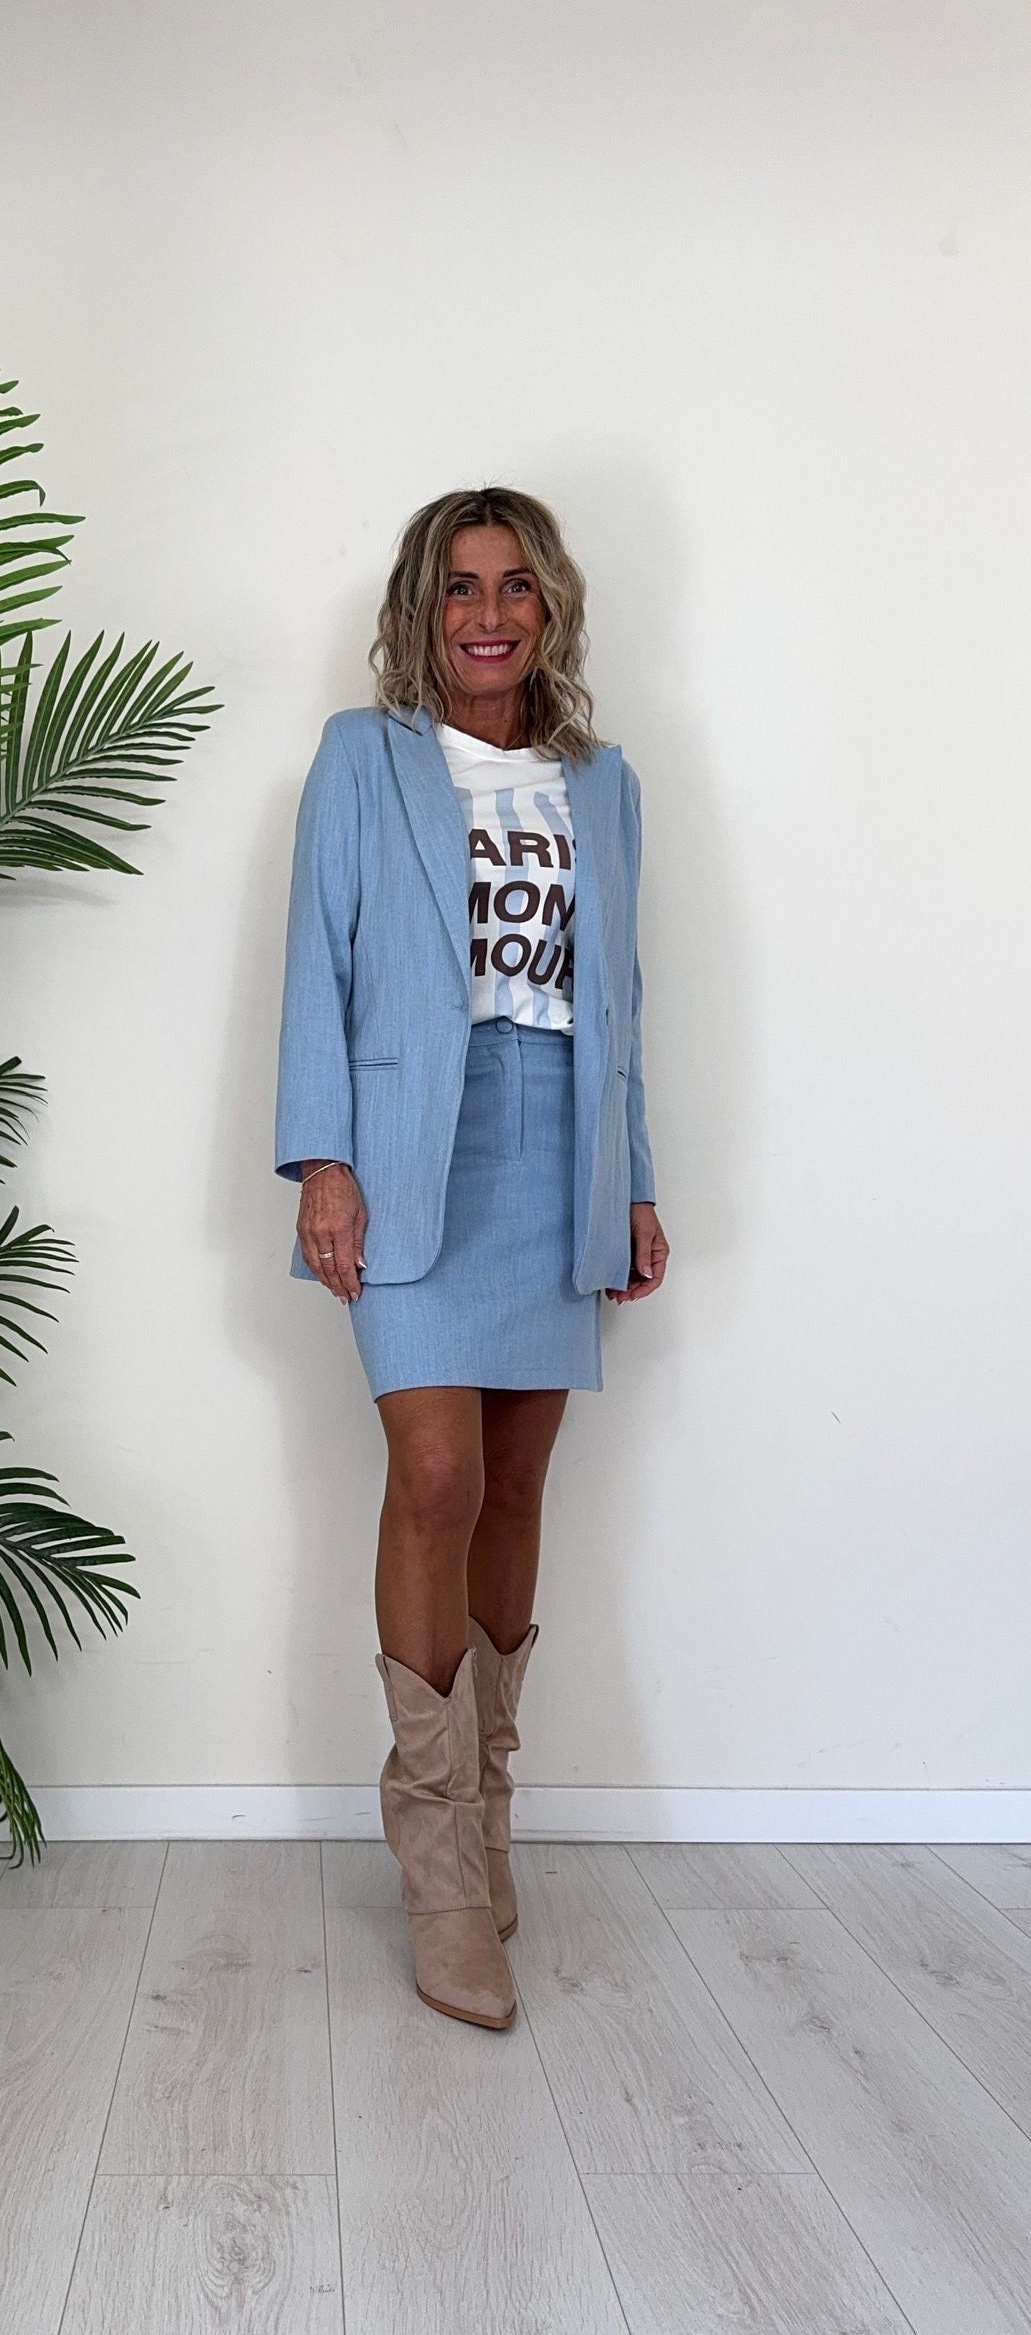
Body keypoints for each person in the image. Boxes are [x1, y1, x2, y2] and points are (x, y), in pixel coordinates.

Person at [274, 487, 668, 2030]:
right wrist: (324, 1161)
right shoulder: (361, 759)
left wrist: (634, 1186)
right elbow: (319, 963)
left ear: (548, 607)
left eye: (513, 586)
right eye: (459, 587)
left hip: (560, 1147)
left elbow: (620, 1000)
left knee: (513, 1486)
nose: (487, 614)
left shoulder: (603, 784)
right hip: (410, 1149)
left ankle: (492, 1812)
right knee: (432, 1477)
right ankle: (438, 1864)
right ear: (420, 611)